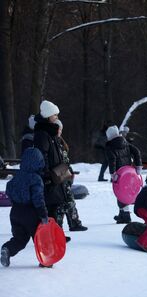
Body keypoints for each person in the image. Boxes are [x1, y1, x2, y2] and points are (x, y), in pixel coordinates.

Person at [1, 148, 49, 267]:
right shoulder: (36, 178)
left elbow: (9, 189)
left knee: (20, 239)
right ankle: (46, 262)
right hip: (31, 213)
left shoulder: (17, 177)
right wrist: (43, 214)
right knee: (40, 239)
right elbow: (38, 199)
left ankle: (7, 249)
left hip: (15, 212)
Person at [33, 100, 71, 241]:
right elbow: (41, 156)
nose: (57, 117)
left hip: (56, 175)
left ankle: (56, 234)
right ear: (48, 116)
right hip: (49, 177)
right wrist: (47, 174)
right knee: (50, 209)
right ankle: (49, 237)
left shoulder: (51, 132)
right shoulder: (43, 134)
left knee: (55, 207)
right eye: (55, 115)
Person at [105, 125, 142, 224]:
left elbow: (112, 160)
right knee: (125, 192)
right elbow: (137, 151)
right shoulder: (125, 142)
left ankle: (126, 215)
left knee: (121, 193)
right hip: (129, 173)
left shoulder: (110, 147)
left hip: (119, 174)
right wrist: (138, 166)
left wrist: (113, 174)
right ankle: (122, 214)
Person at [55, 120, 87, 231]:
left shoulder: (60, 142)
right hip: (58, 176)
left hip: (65, 175)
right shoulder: (53, 142)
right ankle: (58, 228)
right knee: (60, 204)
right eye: (58, 129)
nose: (59, 131)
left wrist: (70, 171)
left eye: (60, 129)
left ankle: (74, 223)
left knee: (70, 200)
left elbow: (65, 160)